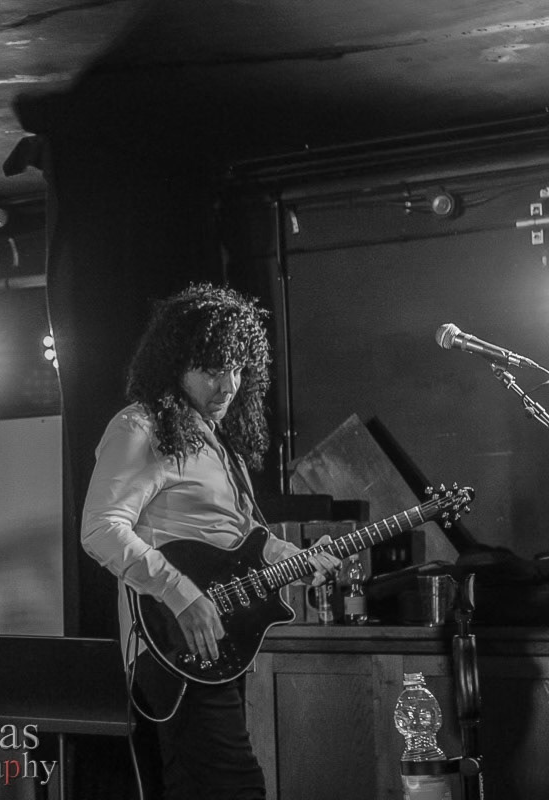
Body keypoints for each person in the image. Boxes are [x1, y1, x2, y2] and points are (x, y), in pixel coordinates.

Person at [80, 283, 340, 799]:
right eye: (212, 369)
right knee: (232, 788)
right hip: (172, 641)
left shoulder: (218, 445)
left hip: (222, 638)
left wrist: (293, 557)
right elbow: (100, 529)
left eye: (238, 369)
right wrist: (182, 594)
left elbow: (240, 539)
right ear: (174, 365)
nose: (228, 385)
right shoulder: (141, 427)